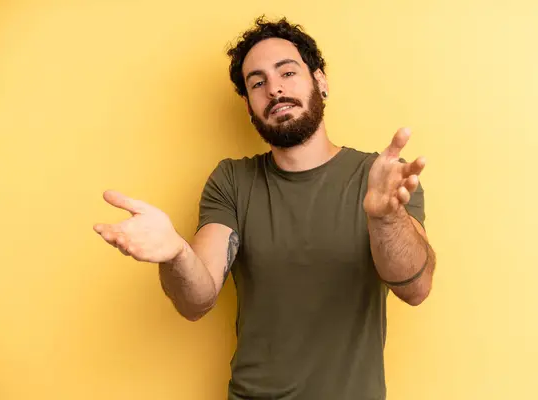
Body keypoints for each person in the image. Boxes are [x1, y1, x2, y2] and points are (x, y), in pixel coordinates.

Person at [93, 15, 437, 400]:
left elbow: (417, 288)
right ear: (249, 105)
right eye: (257, 83)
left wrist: (384, 217)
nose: (274, 89)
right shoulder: (233, 181)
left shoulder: (382, 178)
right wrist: (175, 254)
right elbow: (196, 300)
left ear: (320, 81)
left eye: (287, 73)